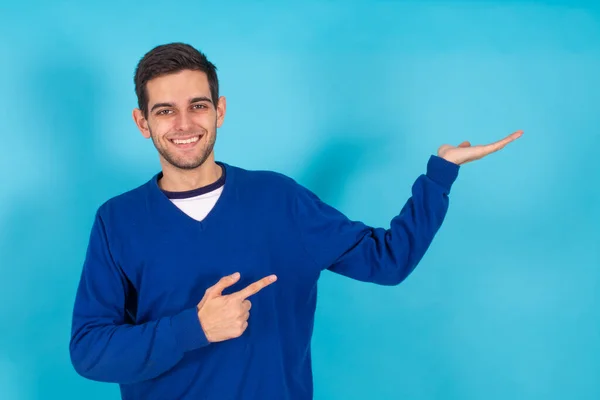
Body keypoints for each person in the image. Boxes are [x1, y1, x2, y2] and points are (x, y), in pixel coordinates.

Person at [68, 42, 523, 400]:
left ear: (220, 110)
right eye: (165, 110)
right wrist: (196, 327)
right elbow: (90, 352)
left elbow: (388, 261)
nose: (184, 123)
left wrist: (440, 174)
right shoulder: (118, 220)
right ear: (142, 122)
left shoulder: (278, 199)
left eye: (198, 105)